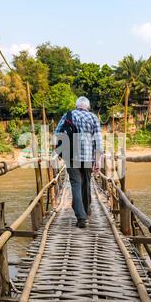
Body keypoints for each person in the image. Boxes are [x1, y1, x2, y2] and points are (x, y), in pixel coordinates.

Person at [55, 96, 103, 228]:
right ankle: (86, 211)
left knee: (76, 185)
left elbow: (57, 132)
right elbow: (98, 142)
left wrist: (62, 149)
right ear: (87, 107)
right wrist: (98, 161)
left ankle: (81, 217)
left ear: (77, 105)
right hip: (88, 157)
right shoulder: (93, 118)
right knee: (86, 184)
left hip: (71, 156)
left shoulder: (68, 115)